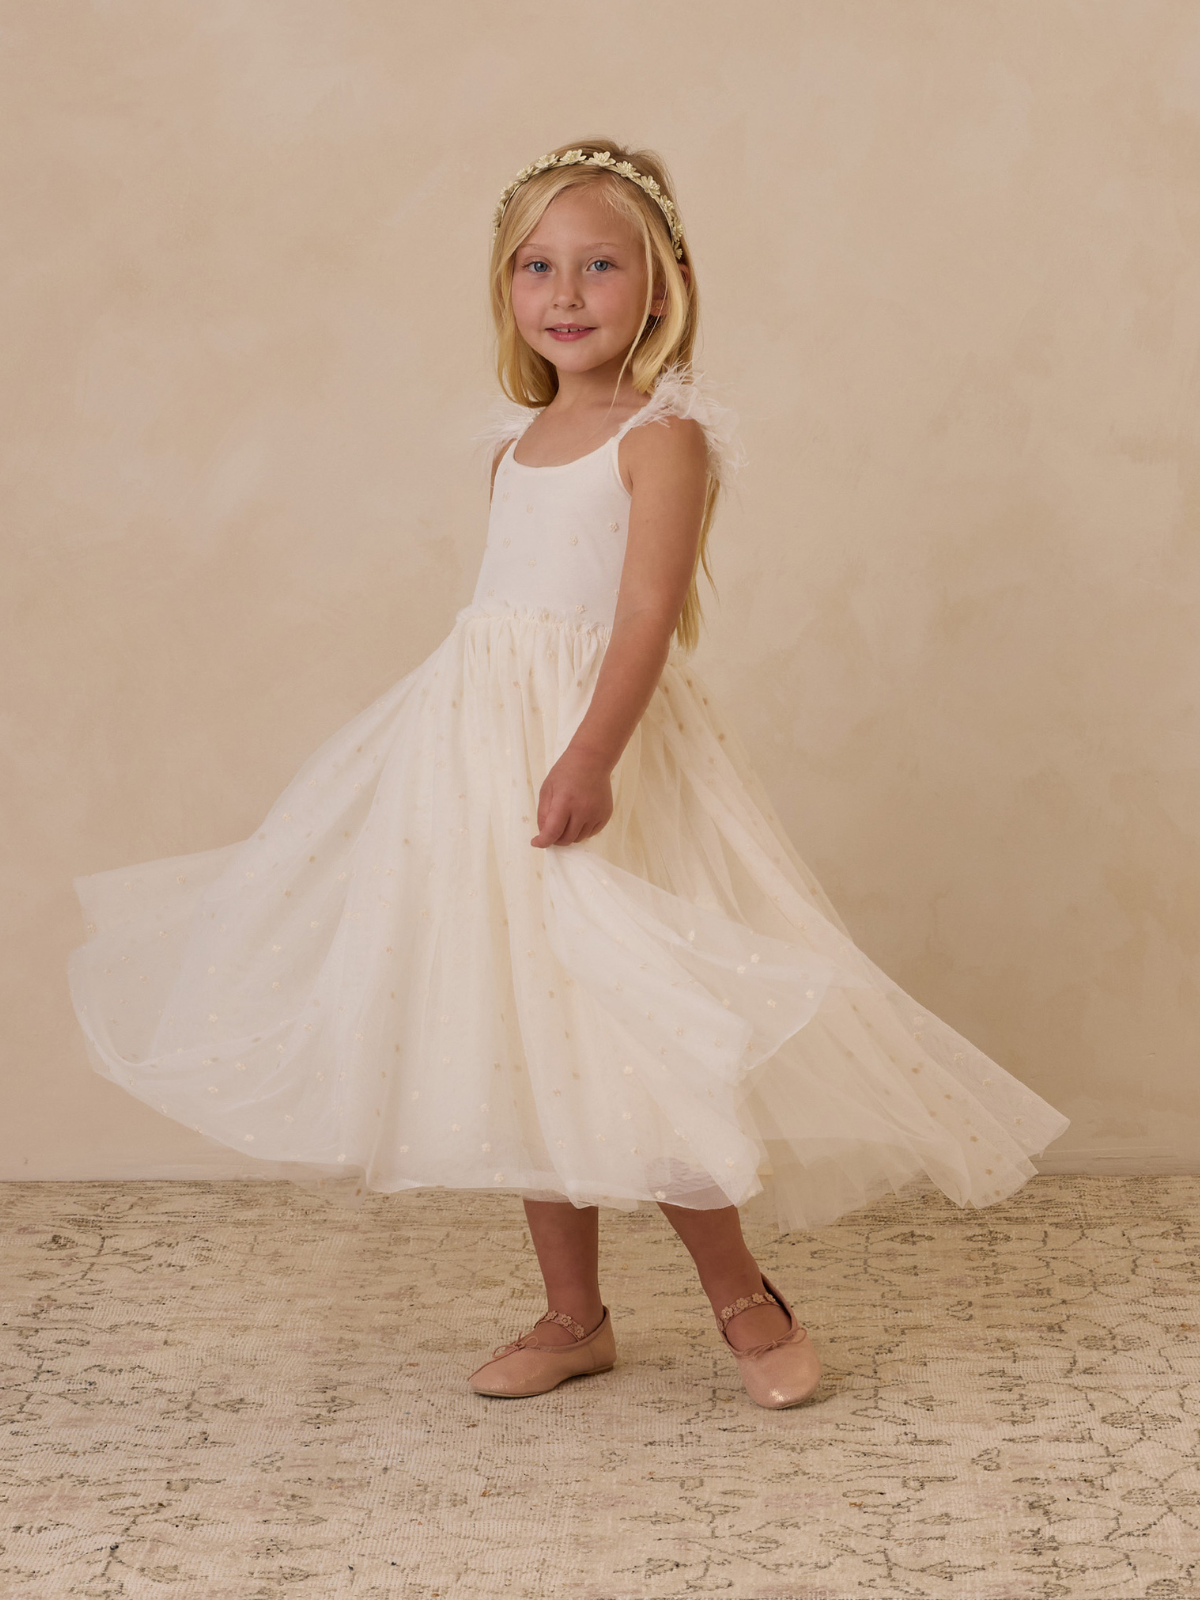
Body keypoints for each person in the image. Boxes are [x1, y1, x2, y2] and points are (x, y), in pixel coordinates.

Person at [67, 139, 1070, 1411]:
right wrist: (474, 759)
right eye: (538, 266)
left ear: (662, 285)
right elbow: (498, 618)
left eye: (601, 265)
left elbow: (643, 617)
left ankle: (743, 1300)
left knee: (636, 1026)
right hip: (477, 753)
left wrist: (589, 753)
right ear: (506, 288)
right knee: (522, 1026)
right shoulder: (514, 443)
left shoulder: (666, 436)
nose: (568, 291)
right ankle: (573, 1313)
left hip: (603, 754)